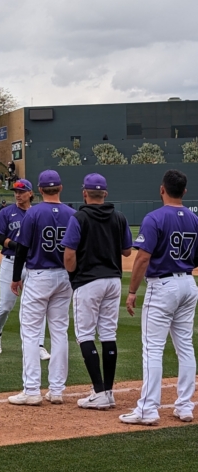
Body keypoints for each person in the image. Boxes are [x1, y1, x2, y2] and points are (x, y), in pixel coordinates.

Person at [120, 169, 198, 426]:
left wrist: (132, 292)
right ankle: (185, 406)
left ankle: (148, 410)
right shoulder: (194, 218)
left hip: (162, 286)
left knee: (153, 349)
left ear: (162, 189)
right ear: (184, 191)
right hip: (188, 282)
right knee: (185, 346)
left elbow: (142, 257)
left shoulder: (154, 217)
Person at [62, 173, 132, 410]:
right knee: (108, 334)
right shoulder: (119, 217)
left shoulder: (79, 217)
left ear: (85, 193)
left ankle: (100, 392)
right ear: (105, 194)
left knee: (85, 335)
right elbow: (127, 251)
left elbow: (69, 255)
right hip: (113, 280)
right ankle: (108, 391)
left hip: (88, 281)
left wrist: (73, 276)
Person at [8, 170, 75, 405]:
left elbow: (21, 248)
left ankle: (32, 390)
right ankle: (57, 390)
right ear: (60, 188)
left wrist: (16, 277)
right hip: (65, 277)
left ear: (38, 189)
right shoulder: (72, 214)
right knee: (59, 332)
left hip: (39, 276)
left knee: (30, 333)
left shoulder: (33, 213)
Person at [0, 179, 50, 359]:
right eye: (15, 192)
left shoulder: (38, 212)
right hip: (10, 262)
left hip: (32, 264)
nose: (18, 194)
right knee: (6, 306)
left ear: (30, 193)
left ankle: (39, 345)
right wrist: (15, 245)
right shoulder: (6, 212)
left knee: (39, 305)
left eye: (21, 191)